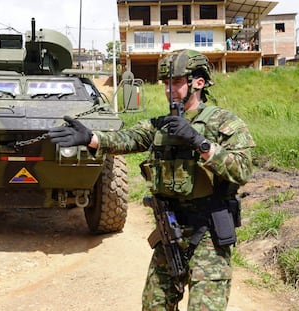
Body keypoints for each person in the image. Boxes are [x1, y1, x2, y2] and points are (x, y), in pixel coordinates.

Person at [48, 49, 255, 311]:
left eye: (177, 82)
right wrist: (91, 138)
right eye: (166, 83)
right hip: (170, 232)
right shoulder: (160, 125)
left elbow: (243, 170)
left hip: (209, 234)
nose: (170, 89)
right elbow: (127, 139)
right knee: (154, 305)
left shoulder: (224, 123)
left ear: (198, 82)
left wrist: (200, 142)